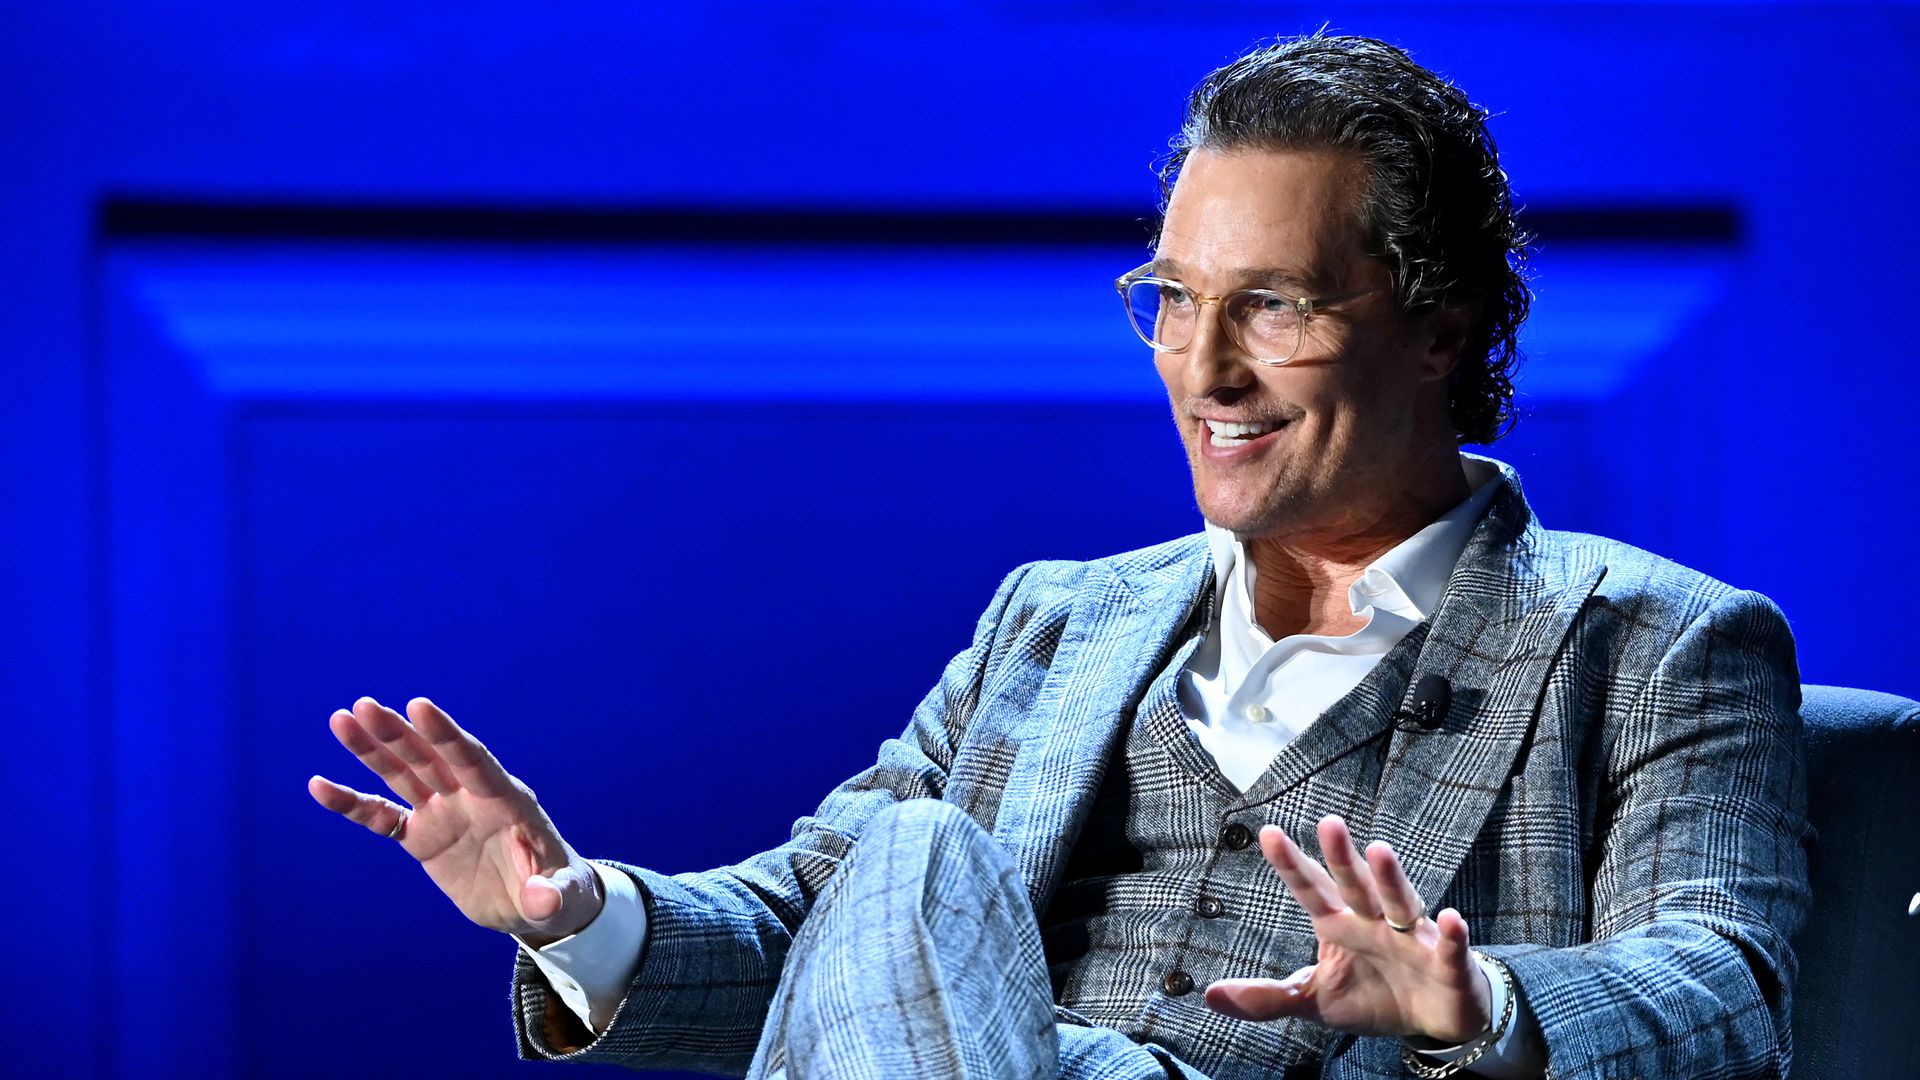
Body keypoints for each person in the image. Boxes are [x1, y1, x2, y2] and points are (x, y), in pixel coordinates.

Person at [308, 32, 1808, 1080]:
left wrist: (1469, 1000)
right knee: (905, 861)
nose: (1202, 370)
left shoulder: (1656, 642)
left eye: (1274, 305)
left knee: (914, 864)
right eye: (1171, 298)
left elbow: (1727, 990)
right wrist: (580, 909)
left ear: (1442, 327)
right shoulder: (1057, 623)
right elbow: (823, 932)